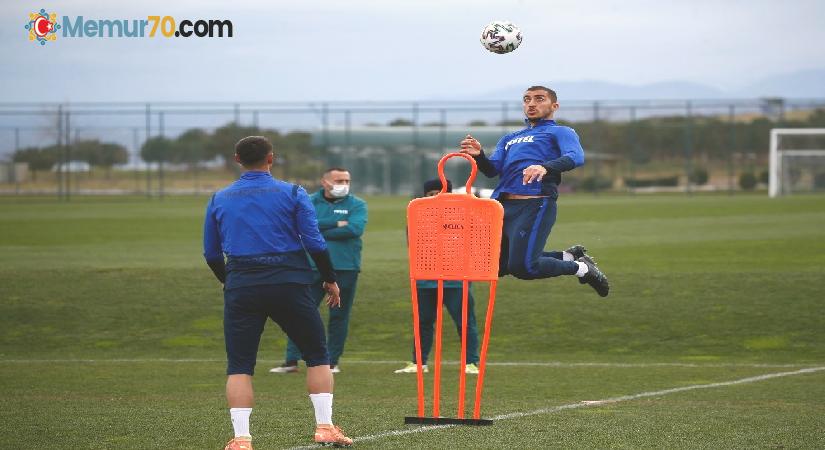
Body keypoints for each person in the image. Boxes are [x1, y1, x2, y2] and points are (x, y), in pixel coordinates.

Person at [203, 136, 352, 449]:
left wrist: (228, 281)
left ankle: (242, 438)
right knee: (317, 356)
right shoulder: (294, 192)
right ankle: (324, 427)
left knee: (240, 365)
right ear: (271, 158)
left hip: (243, 284)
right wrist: (329, 278)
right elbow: (314, 242)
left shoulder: (219, 198)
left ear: (236, 159)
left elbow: (212, 253)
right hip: (290, 283)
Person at [459, 85, 610, 296]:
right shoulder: (509, 138)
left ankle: (582, 269)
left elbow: (576, 157)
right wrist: (480, 155)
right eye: (527, 99)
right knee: (497, 266)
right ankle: (568, 257)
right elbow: (493, 170)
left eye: (539, 99)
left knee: (524, 268)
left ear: (554, 106)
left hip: (535, 203)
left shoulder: (560, 131)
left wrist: (545, 166)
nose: (531, 104)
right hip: (502, 208)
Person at [270, 167, 367, 375]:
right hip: (309, 266)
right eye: (339, 180)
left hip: (345, 266)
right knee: (299, 313)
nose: (344, 184)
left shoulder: (358, 204)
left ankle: (332, 362)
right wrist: (336, 223)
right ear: (324, 182)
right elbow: (298, 227)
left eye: (347, 180)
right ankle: (291, 361)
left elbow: (354, 229)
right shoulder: (309, 201)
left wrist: (315, 230)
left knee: (339, 316)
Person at [394, 179, 481, 375]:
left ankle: (471, 362)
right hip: (425, 279)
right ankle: (418, 362)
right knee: (423, 322)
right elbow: (416, 246)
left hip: (456, 280)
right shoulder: (416, 216)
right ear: (424, 195)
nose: (434, 197)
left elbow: (471, 240)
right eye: (430, 193)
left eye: (439, 193)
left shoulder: (462, 216)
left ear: (449, 194)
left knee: (465, 322)